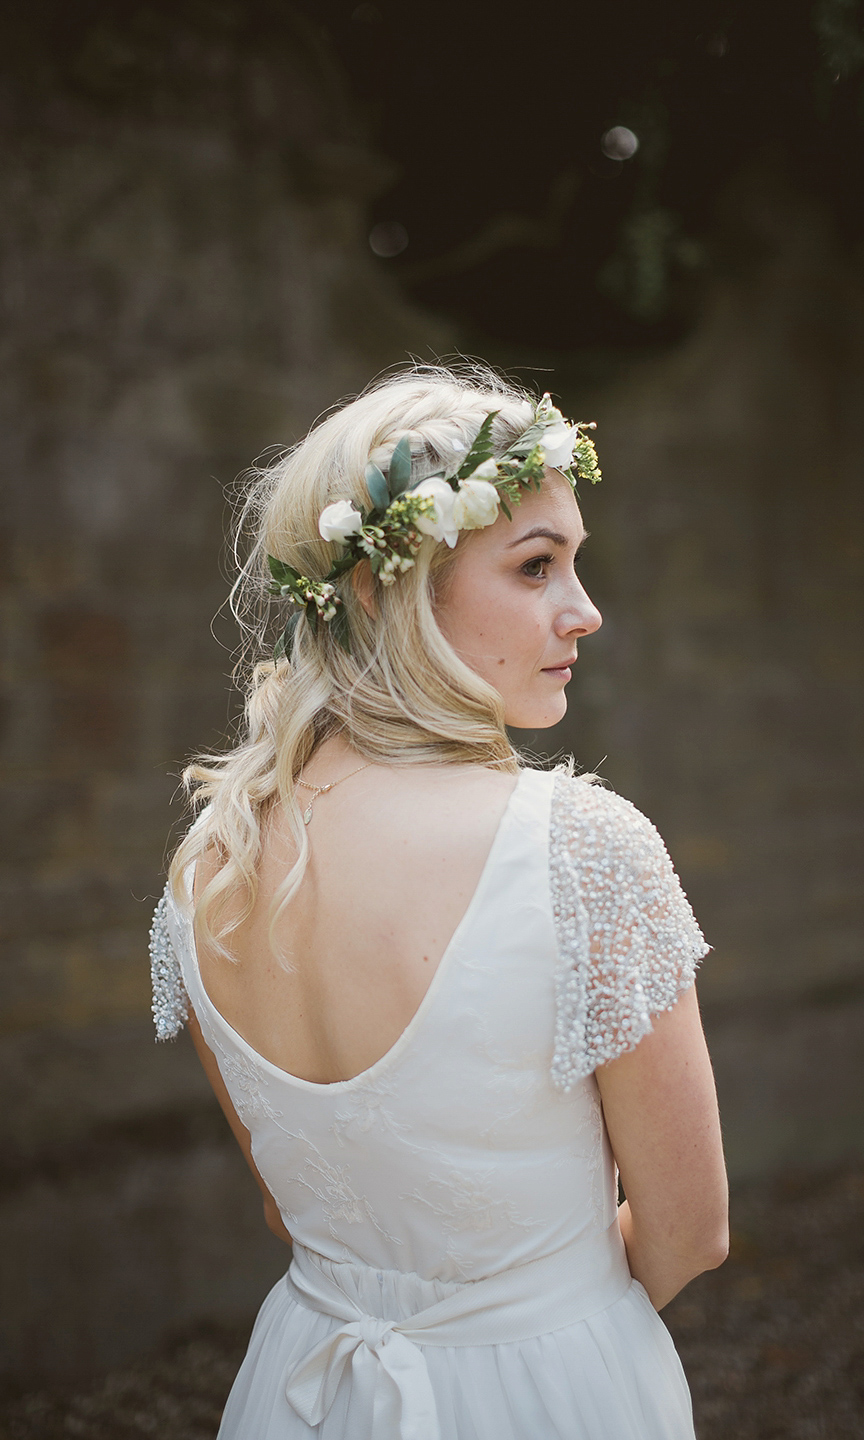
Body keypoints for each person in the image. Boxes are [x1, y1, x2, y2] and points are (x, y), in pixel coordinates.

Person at [149, 363, 728, 1440]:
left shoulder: (208, 866)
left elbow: (292, 1206)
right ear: (382, 590)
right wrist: (533, 1334)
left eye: (575, 564)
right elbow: (690, 1231)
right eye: (536, 566)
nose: (585, 611)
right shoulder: (579, 850)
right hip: (552, 1397)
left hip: (302, 1387)